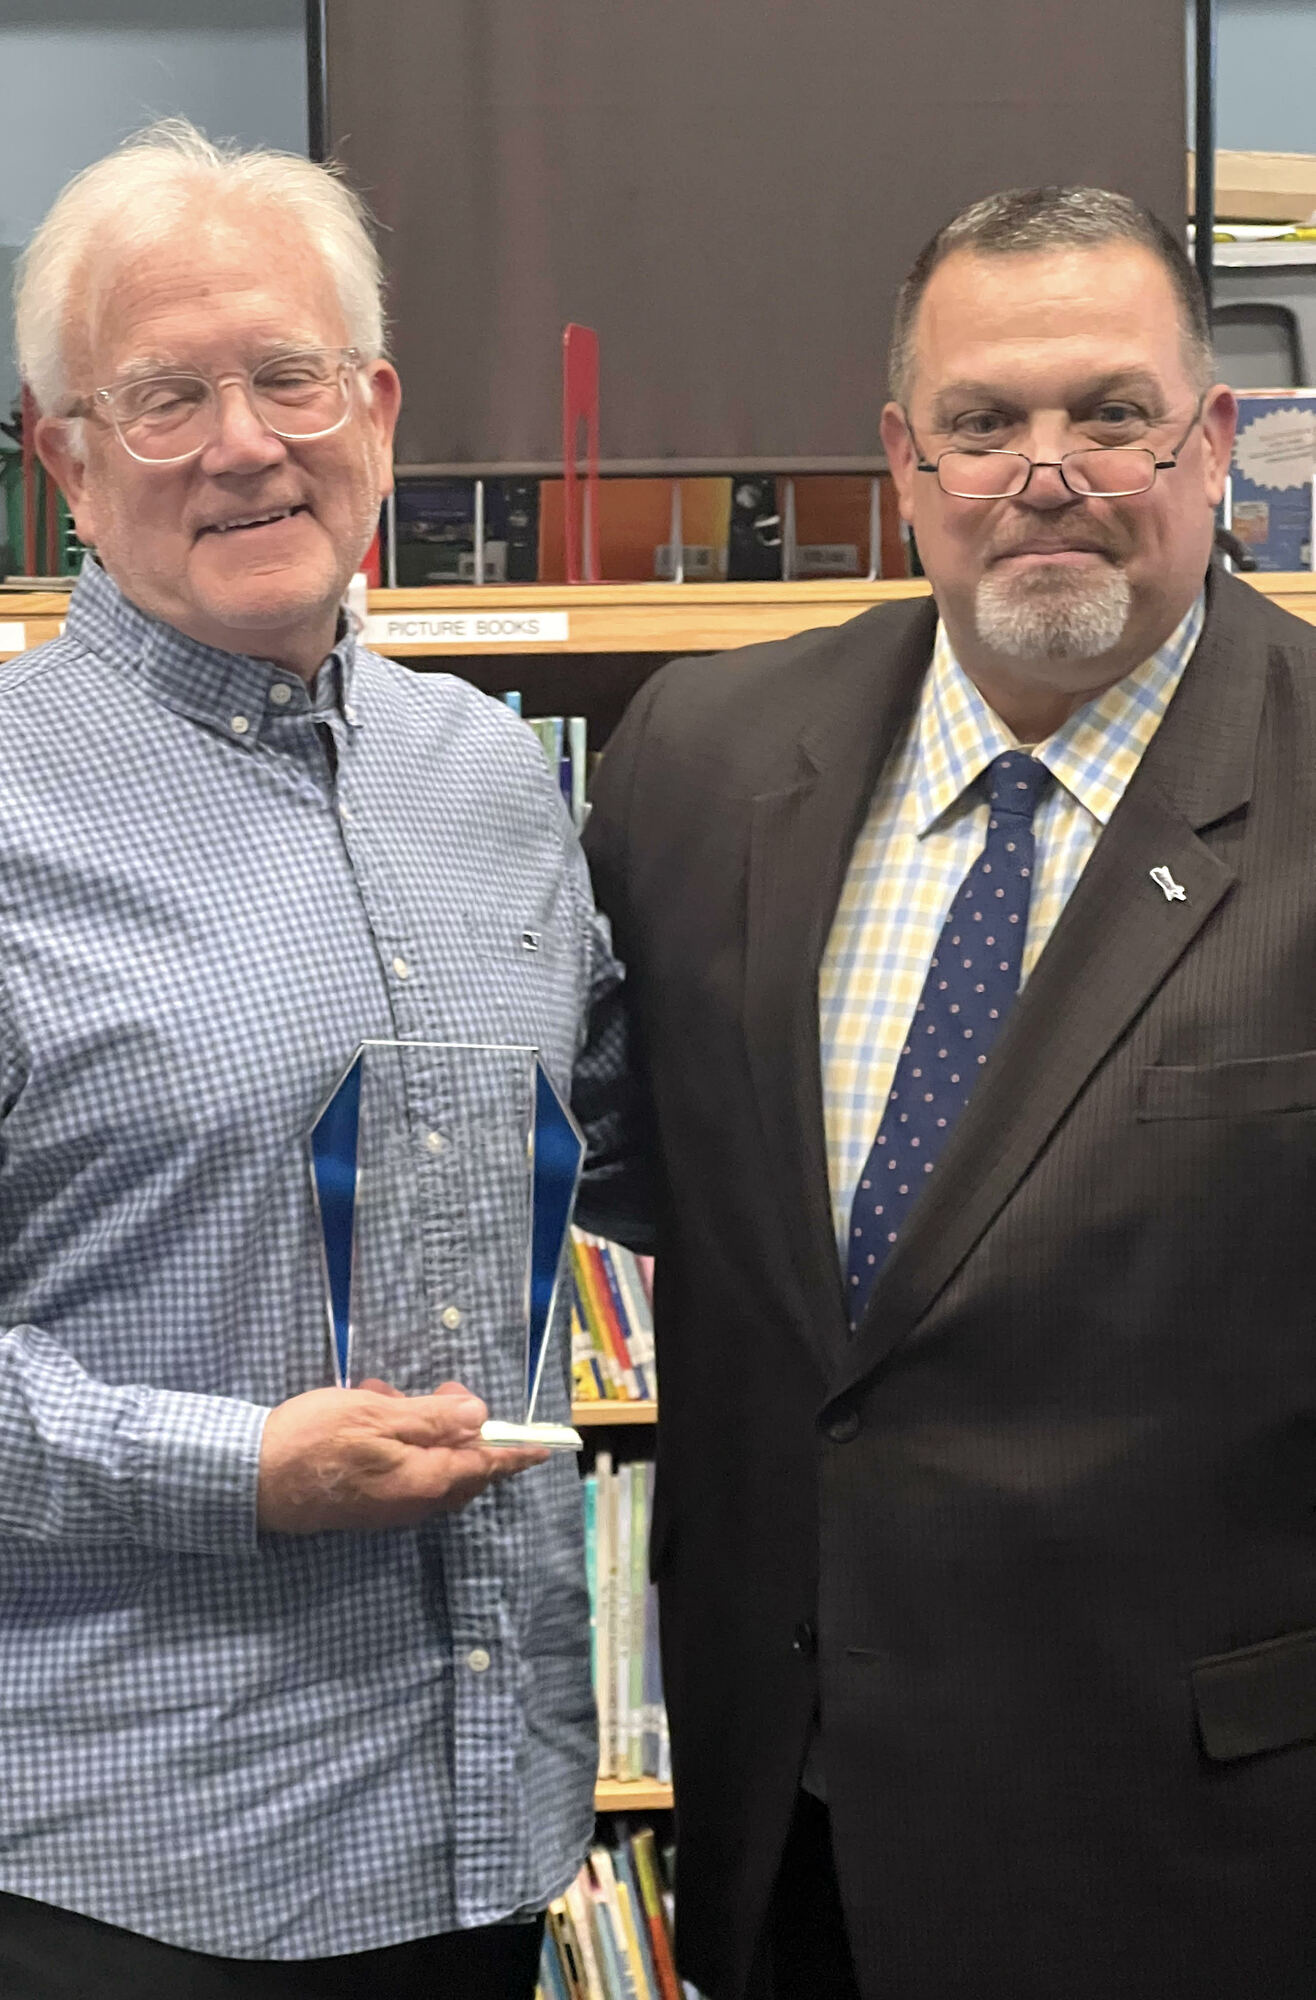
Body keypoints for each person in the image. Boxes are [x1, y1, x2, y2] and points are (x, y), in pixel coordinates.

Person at [0, 119, 616, 2000]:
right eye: (165, 397)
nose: (247, 440)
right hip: (113, 1862)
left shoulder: (494, 779)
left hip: (470, 1830)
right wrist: (229, 1467)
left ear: (379, 408)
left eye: (288, 374)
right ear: (66, 459)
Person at [579, 185, 1316, 2000]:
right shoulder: (700, 762)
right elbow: (647, 1196)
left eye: (1110, 413)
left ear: (1211, 440)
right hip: (791, 1833)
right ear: (901, 460)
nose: (1043, 470)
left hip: (1206, 1854)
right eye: (983, 423)